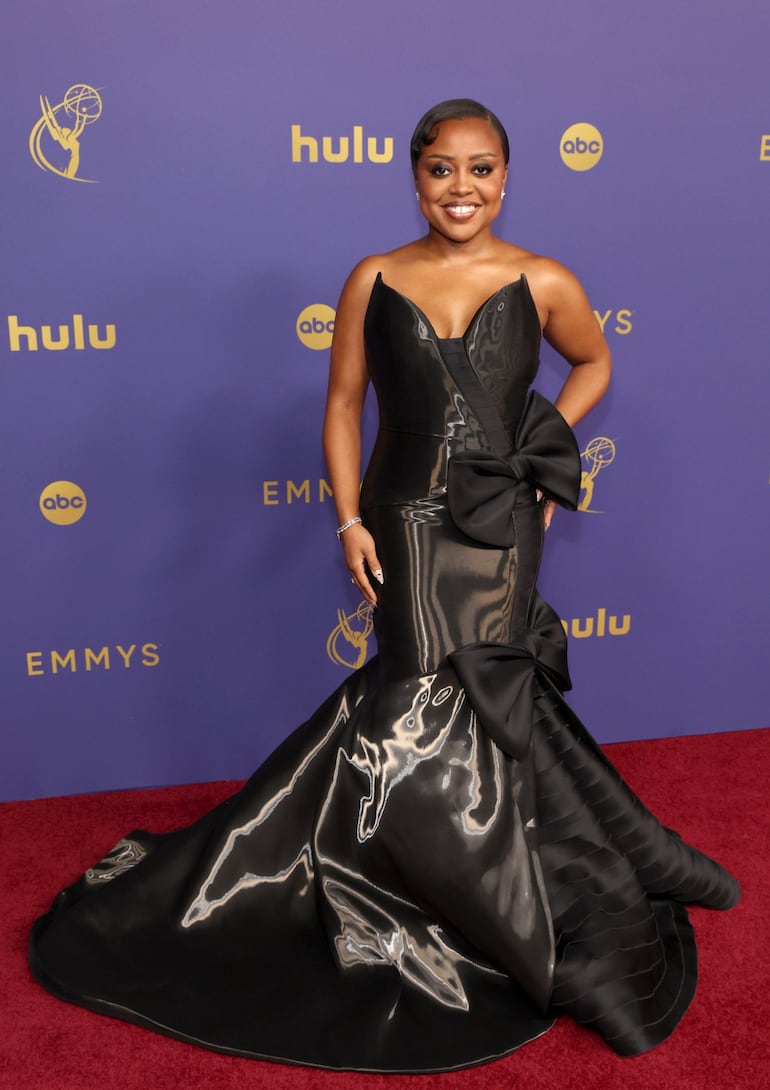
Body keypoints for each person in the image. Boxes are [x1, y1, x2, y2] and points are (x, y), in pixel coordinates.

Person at [29, 99, 739, 1073]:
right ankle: (417, 878)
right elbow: (341, 405)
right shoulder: (373, 277)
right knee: (410, 698)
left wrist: (542, 451)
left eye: (480, 169)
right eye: (442, 169)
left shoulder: (544, 279)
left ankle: (504, 874)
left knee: (493, 696)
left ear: (505, 176)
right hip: (404, 516)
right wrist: (349, 517)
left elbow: (593, 359)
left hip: (499, 529)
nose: (461, 188)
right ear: (413, 177)